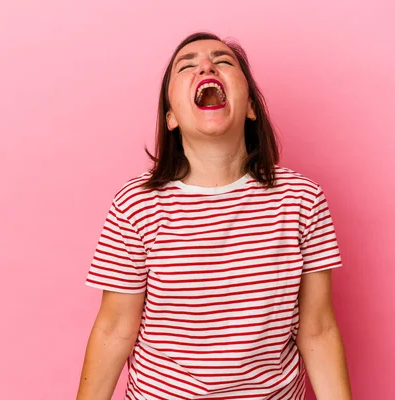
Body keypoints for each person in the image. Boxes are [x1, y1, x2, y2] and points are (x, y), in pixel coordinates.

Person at [76, 32, 352, 400]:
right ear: (171, 117)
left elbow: (317, 328)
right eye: (186, 66)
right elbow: (113, 329)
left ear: (251, 106)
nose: (206, 66)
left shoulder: (302, 199)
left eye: (223, 61)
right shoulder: (136, 204)